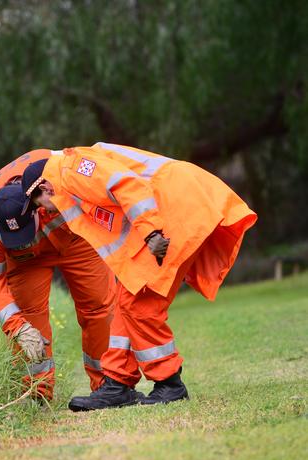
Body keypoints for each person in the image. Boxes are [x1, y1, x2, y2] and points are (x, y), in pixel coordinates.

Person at [19, 142, 257, 410]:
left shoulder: (72, 171)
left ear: (45, 188)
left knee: (140, 303)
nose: (46, 212)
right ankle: (117, 383)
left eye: (40, 205)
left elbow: (125, 184)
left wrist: (152, 232)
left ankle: (169, 384)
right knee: (127, 300)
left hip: (174, 209)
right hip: (173, 207)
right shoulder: (68, 176)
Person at [0, 149, 116, 401]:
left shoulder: (55, 173)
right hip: (25, 262)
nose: (23, 241)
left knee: (99, 307)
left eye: (24, 234)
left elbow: (102, 183)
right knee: (28, 322)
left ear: (36, 204)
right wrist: (16, 327)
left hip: (74, 238)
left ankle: (108, 386)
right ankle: (36, 395)